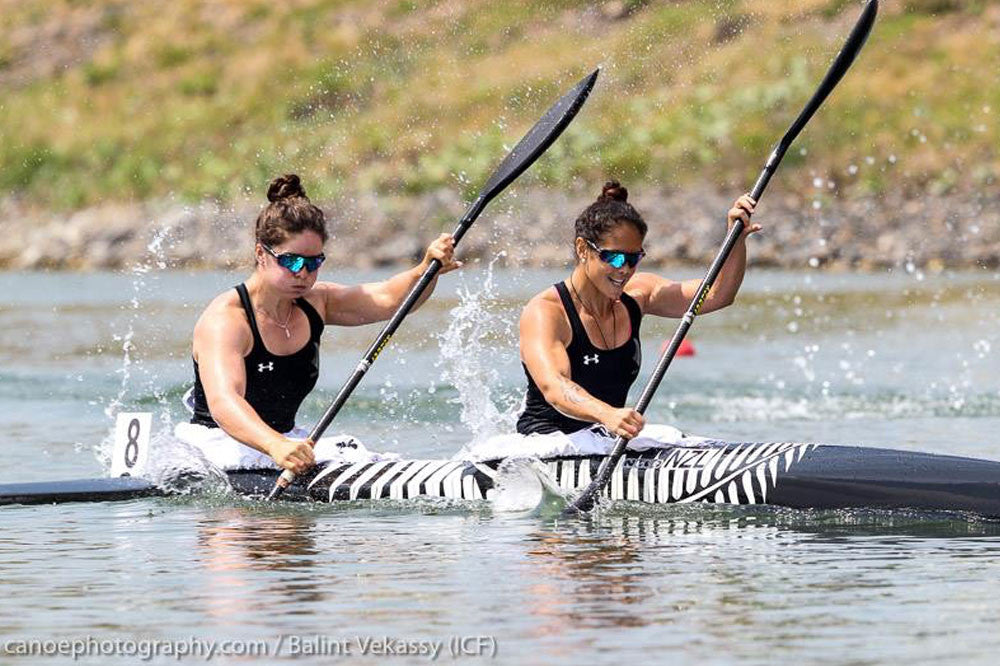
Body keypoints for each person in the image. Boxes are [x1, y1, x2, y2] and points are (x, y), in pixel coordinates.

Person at [184, 174, 460, 474]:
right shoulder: (226, 320)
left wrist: (428, 268)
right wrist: (275, 445)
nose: (303, 273)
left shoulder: (316, 302)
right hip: (221, 446)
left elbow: (390, 299)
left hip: (286, 444)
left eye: (314, 262)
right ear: (260, 253)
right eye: (292, 262)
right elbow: (225, 403)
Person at [517, 180, 760, 438]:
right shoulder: (547, 312)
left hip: (605, 440)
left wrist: (736, 239)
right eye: (614, 257)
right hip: (547, 443)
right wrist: (606, 414)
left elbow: (715, 295)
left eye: (633, 259)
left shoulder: (639, 294)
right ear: (582, 249)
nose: (624, 269)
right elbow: (554, 387)